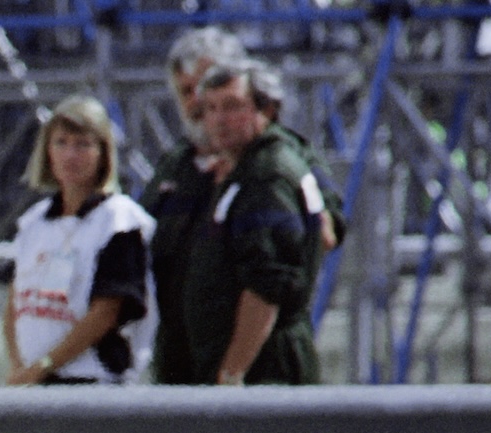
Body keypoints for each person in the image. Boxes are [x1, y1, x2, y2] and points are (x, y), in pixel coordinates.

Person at [144, 27, 342, 384]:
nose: (199, 105)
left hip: (257, 364)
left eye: (217, 93)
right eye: (188, 92)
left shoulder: (276, 161)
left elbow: (317, 239)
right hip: (182, 358)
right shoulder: (176, 166)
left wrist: (241, 182)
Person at [183, 61, 324, 386]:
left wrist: (232, 373)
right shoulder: (242, 170)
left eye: (232, 106)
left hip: (266, 369)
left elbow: (267, 285)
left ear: (266, 110)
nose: (219, 120)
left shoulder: (266, 176)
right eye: (210, 108)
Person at [3, 96, 154, 386]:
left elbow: (106, 312)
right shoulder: (34, 221)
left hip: (92, 383)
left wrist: (44, 366)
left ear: (103, 153)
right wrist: (20, 367)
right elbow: (14, 303)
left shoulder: (119, 221)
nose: (70, 155)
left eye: (83, 145)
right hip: (34, 384)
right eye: (61, 143)